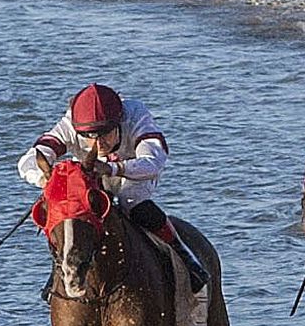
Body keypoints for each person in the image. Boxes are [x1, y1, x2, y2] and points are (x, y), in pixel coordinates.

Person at [18, 83, 208, 291]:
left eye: (105, 134)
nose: (98, 143)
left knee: (131, 201)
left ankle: (185, 257)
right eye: (89, 136)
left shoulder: (136, 116)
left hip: (135, 172)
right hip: (92, 175)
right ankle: (62, 269)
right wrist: (45, 178)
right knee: (70, 211)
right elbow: (29, 159)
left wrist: (113, 168)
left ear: (118, 123)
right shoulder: (70, 124)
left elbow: (153, 161)